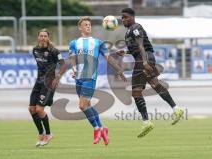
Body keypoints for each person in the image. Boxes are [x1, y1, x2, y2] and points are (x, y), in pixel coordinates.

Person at [117, 8, 184, 138]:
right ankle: (176, 109)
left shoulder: (135, 27)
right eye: (122, 18)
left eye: (125, 17)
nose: (123, 20)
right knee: (155, 83)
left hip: (143, 59)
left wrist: (145, 62)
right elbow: (136, 47)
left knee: (136, 91)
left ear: (132, 16)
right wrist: (125, 52)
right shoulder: (128, 33)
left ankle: (146, 122)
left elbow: (141, 45)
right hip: (145, 58)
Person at [68, 16, 126, 145]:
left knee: (82, 105)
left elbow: (108, 57)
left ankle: (96, 129)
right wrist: (73, 68)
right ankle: (103, 128)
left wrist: (118, 69)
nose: (88, 26)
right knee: (87, 106)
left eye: (89, 24)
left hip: (90, 76)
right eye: (85, 25)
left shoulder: (98, 42)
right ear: (80, 28)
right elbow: (72, 57)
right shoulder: (73, 43)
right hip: (79, 78)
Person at [28, 28, 66, 147]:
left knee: (39, 109)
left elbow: (63, 65)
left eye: (45, 36)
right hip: (38, 82)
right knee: (31, 109)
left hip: (49, 83)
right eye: (41, 36)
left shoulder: (54, 51)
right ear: (38, 37)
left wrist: (57, 77)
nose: (43, 38)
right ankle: (41, 133)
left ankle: (48, 134)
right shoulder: (35, 50)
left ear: (48, 37)